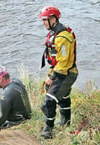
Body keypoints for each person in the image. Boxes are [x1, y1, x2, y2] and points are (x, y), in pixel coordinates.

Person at [39, 6, 78, 139]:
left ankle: (48, 130)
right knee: (63, 97)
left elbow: (64, 62)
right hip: (61, 71)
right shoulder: (54, 33)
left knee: (49, 101)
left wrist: (52, 77)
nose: (43, 22)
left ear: (54, 19)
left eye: (45, 20)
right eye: (43, 20)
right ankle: (66, 123)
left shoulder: (62, 37)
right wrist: (51, 73)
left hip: (67, 73)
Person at [0, 63, 32, 132]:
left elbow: (4, 116)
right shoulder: (16, 81)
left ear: (1, 79)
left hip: (17, 122)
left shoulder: (4, 95)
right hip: (28, 115)